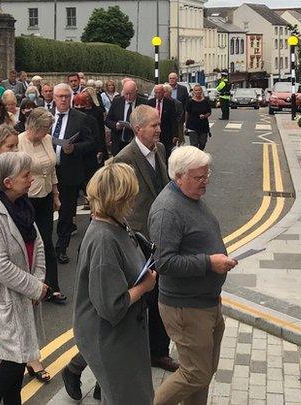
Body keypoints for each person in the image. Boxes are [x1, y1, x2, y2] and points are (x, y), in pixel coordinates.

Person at [149, 146, 236, 405]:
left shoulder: (191, 197)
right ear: (178, 176)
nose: (205, 182)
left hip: (206, 300)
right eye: (199, 178)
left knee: (203, 372)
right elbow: (163, 262)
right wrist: (209, 263)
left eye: (207, 175)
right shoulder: (167, 210)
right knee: (194, 373)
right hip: (185, 306)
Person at [71, 163, 158, 404]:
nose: (135, 198)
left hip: (124, 333)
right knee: (128, 398)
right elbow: (111, 307)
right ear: (120, 199)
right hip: (110, 337)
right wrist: (144, 286)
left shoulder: (116, 223)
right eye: (131, 194)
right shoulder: (103, 240)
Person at [0, 152, 49, 405]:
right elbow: (0, 266)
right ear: (7, 182)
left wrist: (37, 281)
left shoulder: (22, 207)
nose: (31, 179)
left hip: (24, 292)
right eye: (26, 175)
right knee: (14, 361)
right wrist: (35, 288)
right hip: (2, 297)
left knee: (16, 362)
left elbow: (37, 245)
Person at [111, 105, 178, 371]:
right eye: (154, 126)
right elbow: (117, 204)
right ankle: (78, 365)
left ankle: (158, 352)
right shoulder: (123, 159)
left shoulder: (160, 150)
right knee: (137, 301)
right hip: (137, 241)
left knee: (160, 295)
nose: (159, 130)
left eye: (159, 124)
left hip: (160, 237)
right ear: (138, 129)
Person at [17, 109, 67, 305]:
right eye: (45, 128)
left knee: (46, 242)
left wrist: (56, 194)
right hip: (26, 198)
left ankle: (53, 287)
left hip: (45, 197)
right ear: (34, 126)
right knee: (27, 244)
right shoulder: (19, 142)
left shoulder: (46, 140)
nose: (48, 132)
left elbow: (51, 168)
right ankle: (29, 288)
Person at [50, 83, 94, 264]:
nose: (63, 100)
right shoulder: (46, 117)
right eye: (59, 96)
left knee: (66, 212)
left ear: (71, 98)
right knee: (45, 211)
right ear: (53, 98)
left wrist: (74, 148)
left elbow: (91, 142)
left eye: (66, 97)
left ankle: (61, 246)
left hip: (69, 171)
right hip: (46, 172)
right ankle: (44, 246)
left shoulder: (80, 118)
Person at [105, 79, 146, 156]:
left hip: (137, 144)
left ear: (136, 92)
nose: (128, 97)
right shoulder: (117, 101)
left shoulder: (144, 103)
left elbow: (148, 122)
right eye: (126, 94)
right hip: (119, 143)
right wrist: (115, 125)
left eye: (131, 94)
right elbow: (108, 120)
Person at [75, 89, 108, 185]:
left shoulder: (93, 116)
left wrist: (100, 149)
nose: (79, 107)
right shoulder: (74, 117)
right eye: (77, 105)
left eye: (82, 104)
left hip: (91, 153)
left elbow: (99, 133)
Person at [148, 84, 179, 158]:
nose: (158, 94)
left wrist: (175, 134)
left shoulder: (170, 103)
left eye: (159, 92)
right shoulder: (150, 103)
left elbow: (173, 119)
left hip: (166, 133)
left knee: (165, 153)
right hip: (153, 132)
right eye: (156, 92)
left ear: (163, 92)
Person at [184, 84, 213, 150]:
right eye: (196, 90)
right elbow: (187, 113)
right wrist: (186, 124)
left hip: (203, 125)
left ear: (201, 91)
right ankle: (196, 157)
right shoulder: (190, 101)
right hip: (192, 125)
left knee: (203, 142)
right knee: (194, 144)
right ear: (193, 92)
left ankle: (200, 153)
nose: (197, 92)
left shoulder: (205, 101)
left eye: (199, 90)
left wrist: (205, 116)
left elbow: (209, 112)